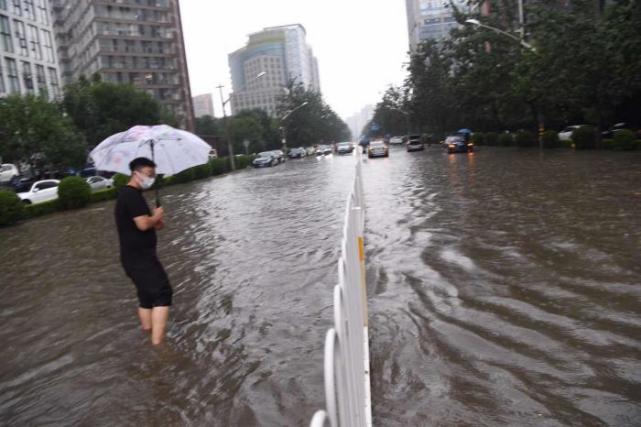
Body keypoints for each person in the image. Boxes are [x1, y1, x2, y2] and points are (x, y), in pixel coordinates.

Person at [115, 157, 172, 345]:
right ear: (136, 173)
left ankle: (149, 336)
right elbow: (141, 224)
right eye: (148, 175)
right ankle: (159, 346)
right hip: (140, 258)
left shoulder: (132, 195)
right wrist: (155, 216)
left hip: (134, 258)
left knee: (146, 297)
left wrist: (157, 221)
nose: (151, 179)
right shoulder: (131, 195)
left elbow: (147, 224)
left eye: (153, 175)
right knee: (163, 292)